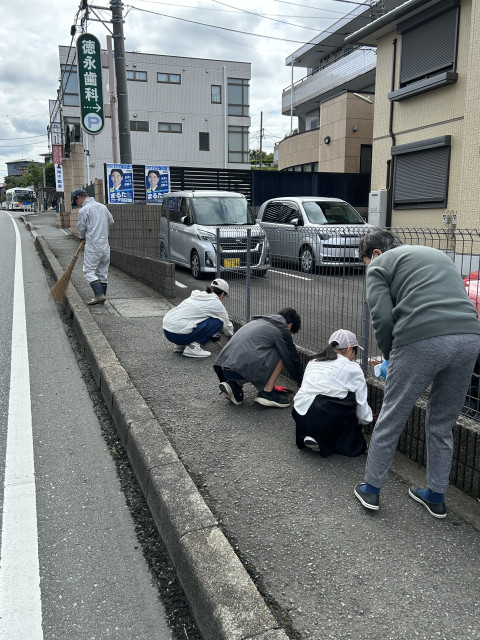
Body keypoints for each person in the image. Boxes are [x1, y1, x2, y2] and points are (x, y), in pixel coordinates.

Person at [354, 229, 480, 518]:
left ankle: (371, 489)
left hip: (421, 337)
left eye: (365, 263)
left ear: (375, 254)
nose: (367, 269)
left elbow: (382, 318)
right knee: (443, 422)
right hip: (470, 337)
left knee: (392, 416)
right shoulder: (438, 256)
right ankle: (436, 496)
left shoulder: (380, 266)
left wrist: (389, 356)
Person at [293, 329, 372, 456]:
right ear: (350, 349)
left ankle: (313, 435)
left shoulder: (314, 361)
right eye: (355, 352)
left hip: (300, 413)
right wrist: (366, 420)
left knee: (330, 398)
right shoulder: (352, 368)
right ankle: (334, 441)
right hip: (325, 416)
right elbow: (361, 402)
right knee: (350, 399)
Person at [214, 308, 303, 408]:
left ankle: (234, 385)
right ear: (289, 325)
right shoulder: (281, 329)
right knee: (283, 351)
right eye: (291, 333)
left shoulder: (257, 321)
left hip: (224, 367)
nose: (289, 335)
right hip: (241, 369)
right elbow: (292, 358)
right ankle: (267, 393)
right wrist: (302, 381)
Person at [162, 278, 233, 358]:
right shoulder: (216, 303)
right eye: (225, 297)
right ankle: (193, 347)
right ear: (222, 294)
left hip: (167, 331)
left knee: (196, 318)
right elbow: (227, 326)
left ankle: (181, 345)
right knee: (219, 321)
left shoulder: (197, 295)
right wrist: (233, 337)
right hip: (180, 335)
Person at [71, 188, 114, 305]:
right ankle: (102, 298)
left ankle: (99, 295)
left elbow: (81, 228)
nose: (78, 205)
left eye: (76, 202)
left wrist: (82, 237)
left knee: (88, 271)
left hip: (93, 244)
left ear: (79, 198)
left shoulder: (84, 210)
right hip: (105, 244)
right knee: (102, 272)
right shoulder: (102, 207)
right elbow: (111, 220)